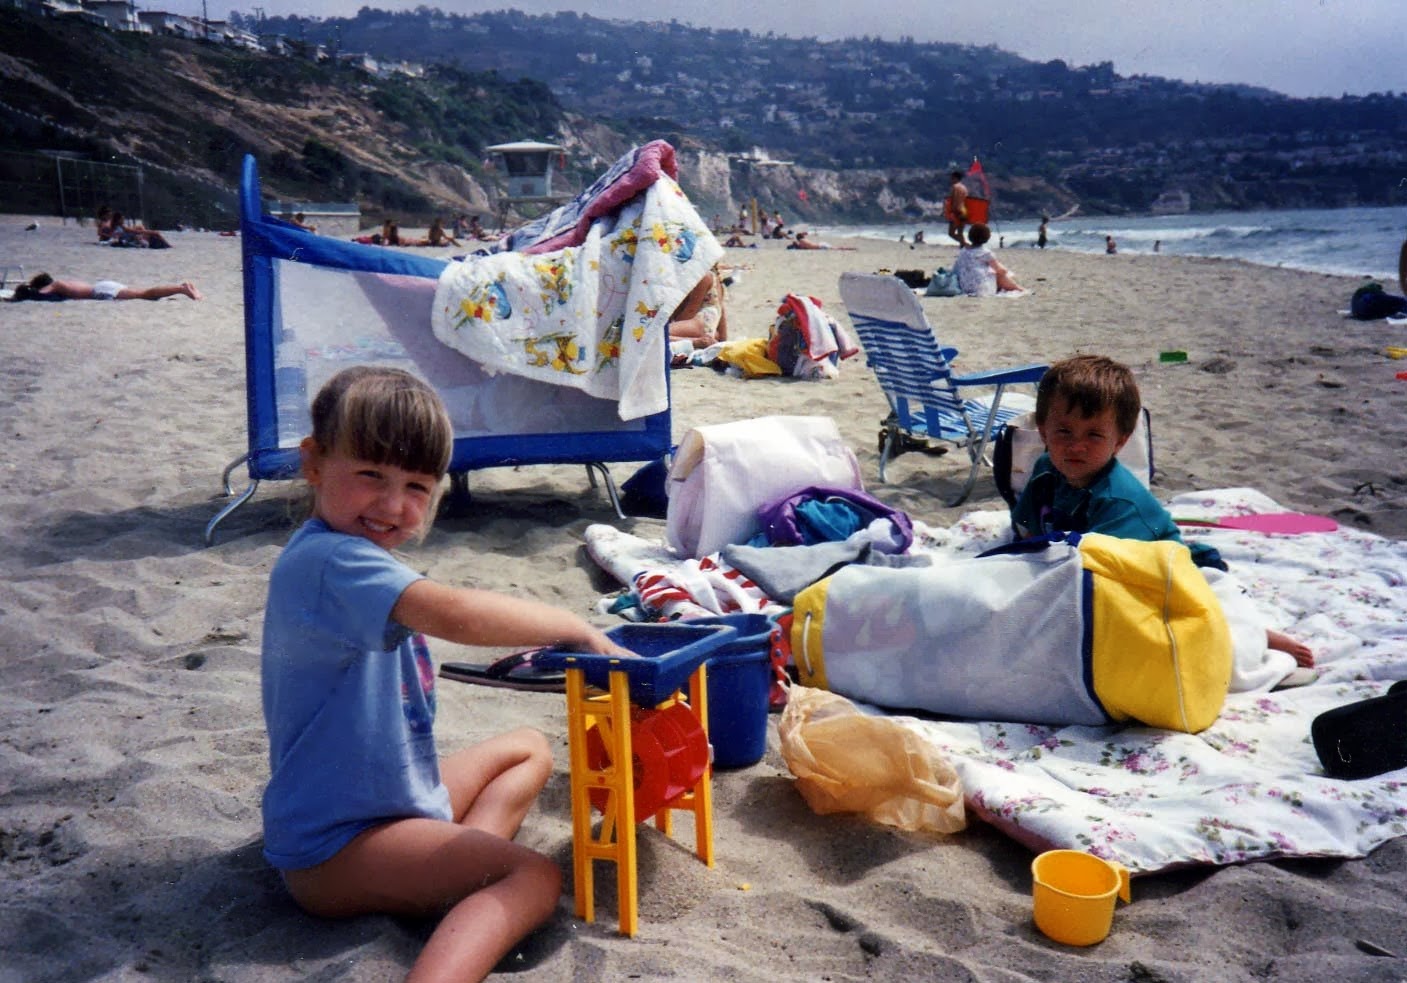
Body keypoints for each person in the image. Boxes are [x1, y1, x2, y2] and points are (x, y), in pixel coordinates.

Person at [261, 366, 632, 982]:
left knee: (528, 749)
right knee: (533, 877)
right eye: (371, 475)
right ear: (314, 463)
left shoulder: (351, 556)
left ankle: (452, 879)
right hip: (337, 846)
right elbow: (455, 613)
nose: (392, 505)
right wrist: (574, 626)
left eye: (416, 486)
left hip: (396, 802)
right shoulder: (331, 560)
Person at [1009, 355, 1313, 678]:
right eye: (1064, 431)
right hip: (1103, 558)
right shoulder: (1046, 469)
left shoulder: (1118, 501)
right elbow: (1027, 529)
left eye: (1093, 435)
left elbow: (1099, 579)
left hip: (1163, 571)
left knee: (1197, 635)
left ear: (1120, 441)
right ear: (1044, 432)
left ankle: (1260, 634)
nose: (1076, 446)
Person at [8, 272, 201, 302]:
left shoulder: (56, 285)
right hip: (102, 287)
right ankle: (181, 288)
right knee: (143, 293)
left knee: (145, 295)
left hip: (101, 291)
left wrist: (22, 293)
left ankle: (181, 289)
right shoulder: (64, 283)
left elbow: (40, 293)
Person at [952, 223, 1024, 296]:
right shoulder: (985, 253)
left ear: (969, 236)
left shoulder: (963, 251)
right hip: (982, 289)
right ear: (987, 238)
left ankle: (1015, 287)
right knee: (1000, 275)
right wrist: (1007, 272)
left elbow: (956, 269)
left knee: (989, 272)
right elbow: (1000, 270)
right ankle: (1018, 288)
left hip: (965, 287)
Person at [667, 265, 729, 349]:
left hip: (700, 323)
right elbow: (722, 313)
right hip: (710, 326)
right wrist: (723, 339)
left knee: (657, 335)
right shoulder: (717, 280)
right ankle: (697, 341)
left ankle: (696, 342)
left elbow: (690, 311)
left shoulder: (704, 277)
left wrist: (676, 324)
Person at [944, 170, 969, 246]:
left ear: (955, 178)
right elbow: (966, 200)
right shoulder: (964, 188)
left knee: (951, 233)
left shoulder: (955, 187)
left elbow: (954, 200)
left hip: (956, 211)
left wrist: (951, 212)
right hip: (964, 211)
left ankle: (966, 245)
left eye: (952, 178)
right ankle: (964, 247)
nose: (951, 180)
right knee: (960, 233)